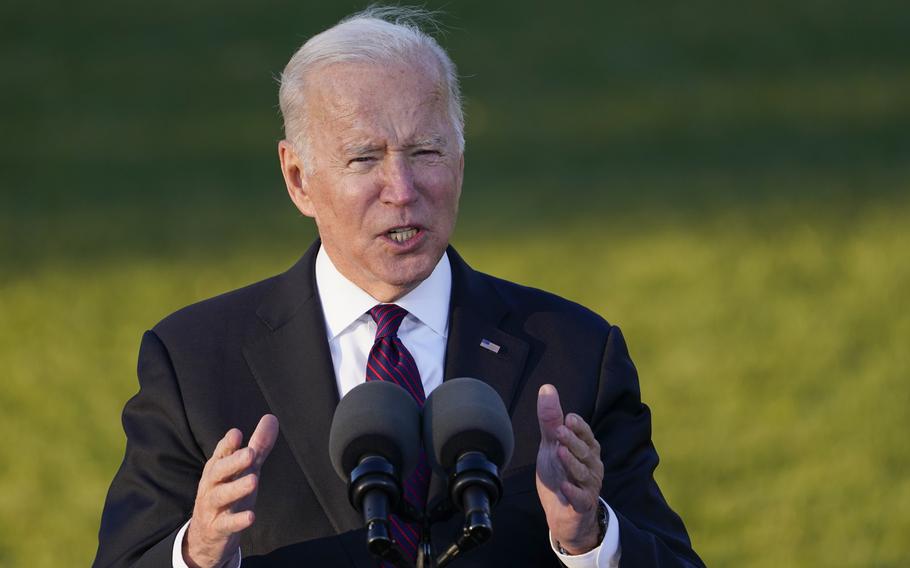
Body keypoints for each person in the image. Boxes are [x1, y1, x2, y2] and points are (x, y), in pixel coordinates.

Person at [94, 7, 703, 568]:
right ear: (298, 178)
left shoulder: (575, 354)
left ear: (461, 161)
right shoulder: (195, 362)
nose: (404, 189)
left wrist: (591, 537)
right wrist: (197, 552)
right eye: (364, 159)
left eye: (427, 150)